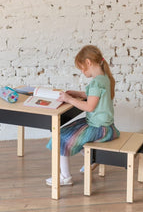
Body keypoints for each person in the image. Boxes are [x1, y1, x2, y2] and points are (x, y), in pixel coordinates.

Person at [46, 45, 120, 186]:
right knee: (73, 134)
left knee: (61, 137)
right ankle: (93, 158)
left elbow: (89, 106)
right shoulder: (104, 78)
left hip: (99, 129)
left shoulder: (96, 82)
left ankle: (65, 177)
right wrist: (77, 94)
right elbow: (93, 96)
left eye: (81, 67)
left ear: (88, 62)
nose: (81, 71)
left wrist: (69, 99)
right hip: (106, 127)